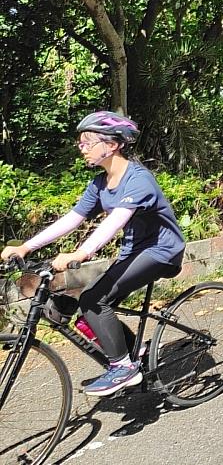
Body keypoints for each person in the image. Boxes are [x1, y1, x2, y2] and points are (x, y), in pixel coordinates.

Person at [1, 111, 185, 396]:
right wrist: (26, 246)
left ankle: (123, 368)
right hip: (133, 251)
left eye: (87, 142)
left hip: (161, 252)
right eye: (81, 143)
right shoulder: (100, 184)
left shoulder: (138, 180)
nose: (82, 148)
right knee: (88, 309)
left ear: (112, 145)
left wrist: (82, 252)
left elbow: (115, 222)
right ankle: (136, 351)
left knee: (94, 299)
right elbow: (72, 219)